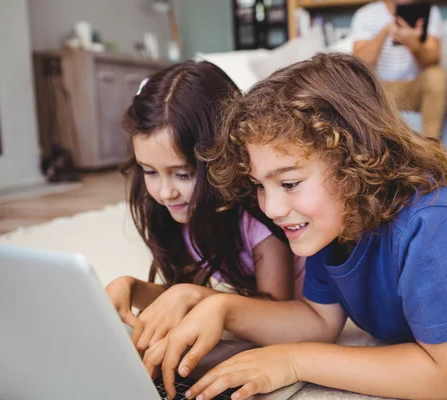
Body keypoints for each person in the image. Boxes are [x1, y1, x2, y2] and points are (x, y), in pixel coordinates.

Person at [141, 53, 447, 400]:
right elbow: (319, 321)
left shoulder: (433, 224)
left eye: (290, 182)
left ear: (355, 163)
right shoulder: (325, 221)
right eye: (260, 185)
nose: (273, 208)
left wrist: (295, 362)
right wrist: (221, 309)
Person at [105, 60, 304, 354]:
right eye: (149, 171)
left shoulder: (259, 216)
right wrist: (134, 289)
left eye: (183, 174)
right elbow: (182, 296)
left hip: (299, 318)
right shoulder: (180, 212)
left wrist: (193, 296)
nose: (165, 192)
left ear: (220, 159)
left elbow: (273, 312)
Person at [352, 0, 447, 139]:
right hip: (379, 89)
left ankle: (432, 149)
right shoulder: (365, 15)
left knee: (436, 75)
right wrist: (386, 31)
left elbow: (433, 60)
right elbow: (358, 64)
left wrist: (413, 43)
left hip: (413, 88)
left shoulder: (430, 12)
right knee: (356, 83)